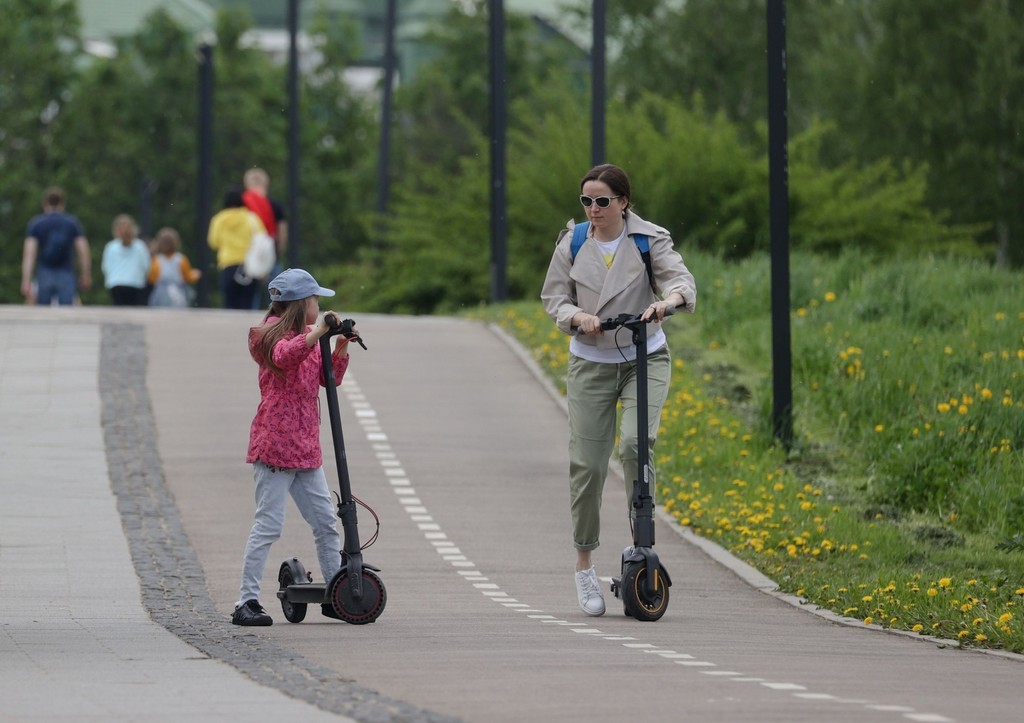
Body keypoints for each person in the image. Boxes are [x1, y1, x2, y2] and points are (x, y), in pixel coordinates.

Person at [540, 163, 697, 617]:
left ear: (623, 202)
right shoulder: (573, 242)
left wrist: (666, 304)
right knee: (587, 465)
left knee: (634, 443)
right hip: (591, 360)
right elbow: (554, 297)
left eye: (602, 201)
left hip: (643, 356)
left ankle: (639, 548)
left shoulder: (649, 239)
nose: (593, 209)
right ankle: (585, 564)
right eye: (586, 201)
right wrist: (577, 317)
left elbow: (680, 280)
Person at [232, 268, 356, 626]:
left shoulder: (309, 336)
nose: (318, 306)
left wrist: (340, 346)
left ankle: (336, 593)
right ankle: (247, 601)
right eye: (316, 300)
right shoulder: (265, 337)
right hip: (274, 449)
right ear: (301, 304)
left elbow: (323, 378)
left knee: (325, 523)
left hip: (305, 449)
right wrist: (318, 333)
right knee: (268, 525)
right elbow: (285, 356)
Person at [21, 187, 92, 305]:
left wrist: (26, 280)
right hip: (66, 272)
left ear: (44, 203)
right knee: (67, 312)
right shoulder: (72, 223)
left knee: (42, 312)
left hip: (44, 271)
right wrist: (85, 274)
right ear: (63, 203)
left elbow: (29, 254)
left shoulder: (36, 224)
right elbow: (83, 250)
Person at [207, 187, 266, 310]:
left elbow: (213, 242)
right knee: (247, 304)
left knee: (229, 304)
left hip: (228, 264)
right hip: (249, 266)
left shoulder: (218, 219)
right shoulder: (251, 218)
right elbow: (262, 239)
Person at [242, 167, 288, 308]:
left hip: (248, 253)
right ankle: (275, 320)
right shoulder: (274, 205)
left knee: (249, 293)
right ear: (266, 184)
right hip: (270, 252)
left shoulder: (243, 203)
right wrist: (279, 250)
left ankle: (247, 319)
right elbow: (282, 231)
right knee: (275, 292)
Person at [101, 214, 152, 306]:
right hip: (136, 283)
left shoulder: (111, 246)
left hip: (116, 283)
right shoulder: (140, 246)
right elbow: (146, 266)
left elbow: (106, 267)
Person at [148, 226, 202, 308]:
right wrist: (195, 274)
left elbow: (152, 278)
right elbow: (186, 277)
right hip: (178, 292)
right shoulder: (181, 259)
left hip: (160, 293)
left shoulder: (156, 260)